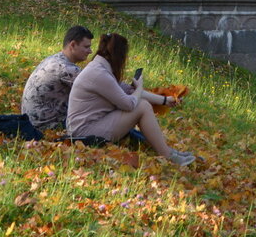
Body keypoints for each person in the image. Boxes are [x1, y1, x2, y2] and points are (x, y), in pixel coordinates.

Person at [67, 33, 195, 166]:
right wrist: (139, 87)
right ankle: (167, 155)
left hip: (89, 126)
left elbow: (129, 91)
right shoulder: (99, 74)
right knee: (142, 106)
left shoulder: (100, 68)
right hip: (84, 133)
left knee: (141, 103)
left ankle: (167, 151)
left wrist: (164, 100)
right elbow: (129, 104)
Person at [20, 25, 94, 131]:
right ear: (72, 45)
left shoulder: (54, 59)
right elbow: (99, 89)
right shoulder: (65, 68)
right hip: (45, 126)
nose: (90, 51)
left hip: (32, 122)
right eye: (86, 47)